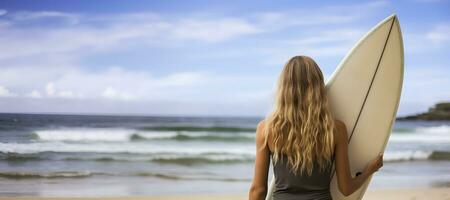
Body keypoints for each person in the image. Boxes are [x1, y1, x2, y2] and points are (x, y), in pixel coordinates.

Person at [248, 55, 383, 200]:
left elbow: (258, 190)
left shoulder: (266, 129)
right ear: (318, 87)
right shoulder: (335, 130)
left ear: (284, 88)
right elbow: (346, 188)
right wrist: (368, 171)